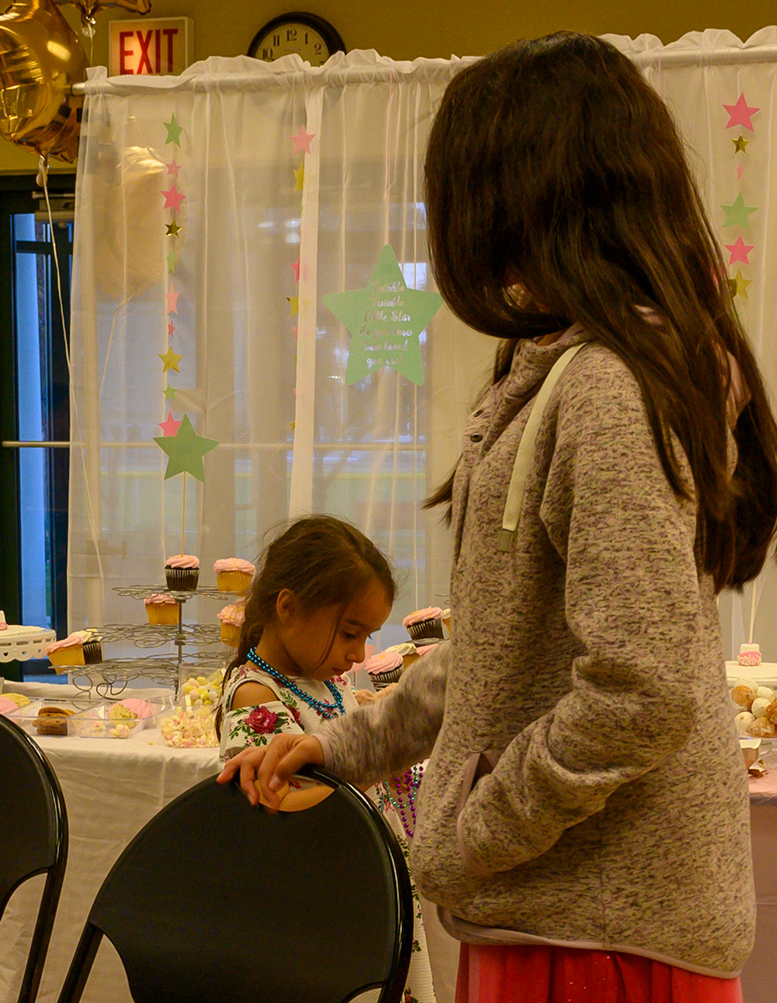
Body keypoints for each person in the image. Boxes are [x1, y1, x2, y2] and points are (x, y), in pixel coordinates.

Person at [221, 33, 777, 1003]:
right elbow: (499, 654)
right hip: (560, 914)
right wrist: (350, 744)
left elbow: (640, 692)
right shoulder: (564, 371)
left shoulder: (603, 388)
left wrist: (470, 832)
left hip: (597, 934)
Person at [214, 515, 435, 1002]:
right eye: (350, 633)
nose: (359, 654)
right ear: (288, 607)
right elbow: (286, 812)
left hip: (365, 886)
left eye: (367, 636)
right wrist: (372, 762)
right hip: (320, 909)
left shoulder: (330, 684)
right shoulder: (255, 695)